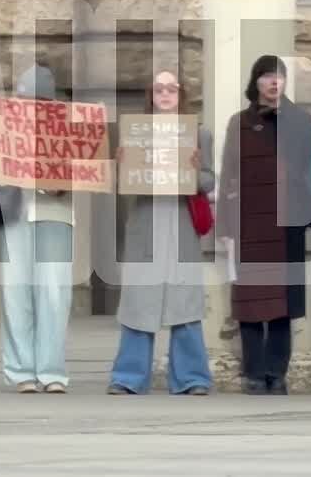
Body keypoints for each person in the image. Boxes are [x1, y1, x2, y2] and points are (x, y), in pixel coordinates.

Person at [108, 70, 215, 396]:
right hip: (146, 224)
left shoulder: (199, 134)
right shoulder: (134, 133)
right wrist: (120, 166)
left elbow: (210, 181)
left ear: (180, 94)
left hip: (180, 226)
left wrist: (196, 172)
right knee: (140, 301)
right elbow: (120, 186)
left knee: (185, 302)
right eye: (159, 89)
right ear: (150, 95)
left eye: (172, 89)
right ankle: (129, 377)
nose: (165, 94)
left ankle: (192, 378)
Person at [217, 55, 311, 395]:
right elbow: (228, 174)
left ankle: (277, 373)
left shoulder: (301, 121)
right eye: (267, 77)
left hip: (285, 224)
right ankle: (254, 373)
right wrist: (225, 227)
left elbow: (304, 170)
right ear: (256, 82)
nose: (274, 83)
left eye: (280, 77)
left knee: (280, 306)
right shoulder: (238, 123)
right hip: (247, 224)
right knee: (249, 304)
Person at [0, 65, 75, 394]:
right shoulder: (3, 128)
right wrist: (10, 154)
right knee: (16, 293)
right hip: (15, 215)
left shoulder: (67, 130)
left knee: (54, 293)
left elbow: (89, 169)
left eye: (35, 100)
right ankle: (20, 372)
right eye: (23, 99)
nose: (28, 105)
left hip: (55, 215)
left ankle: (52, 372)